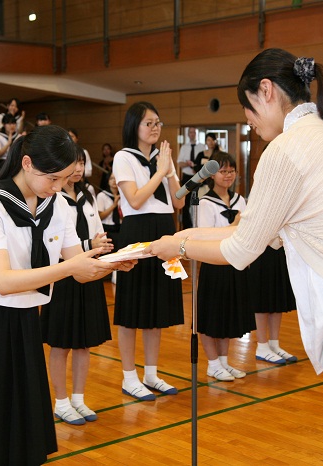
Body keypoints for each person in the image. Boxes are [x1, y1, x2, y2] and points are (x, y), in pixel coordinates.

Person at [146, 48, 323, 465]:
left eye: (247, 107)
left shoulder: (285, 150)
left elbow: (241, 249)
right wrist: (186, 233)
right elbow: (253, 229)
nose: (248, 120)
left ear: (265, 91)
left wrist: (179, 246)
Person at [0, 125, 133, 465]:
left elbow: (72, 258)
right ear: (26, 163)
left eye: (65, 179)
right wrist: (72, 268)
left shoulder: (60, 205)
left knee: (18, 417)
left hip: (24, 318)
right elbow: (4, 281)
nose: (59, 187)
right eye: (53, 178)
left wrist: (112, 263)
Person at [112, 101, 184, 401]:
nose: (155, 128)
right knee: (132, 309)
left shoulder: (164, 158)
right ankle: (130, 377)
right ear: (134, 126)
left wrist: (168, 172)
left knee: (156, 307)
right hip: (137, 231)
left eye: (158, 122)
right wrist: (160, 172)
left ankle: (151, 373)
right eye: (149, 123)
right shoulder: (123, 157)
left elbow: (178, 202)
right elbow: (136, 199)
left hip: (164, 229)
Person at [40, 147, 113, 425]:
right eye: (74, 163)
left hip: (89, 273)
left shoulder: (87, 194)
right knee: (61, 345)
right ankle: (61, 402)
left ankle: (79, 399)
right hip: (64, 276)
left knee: (84, 344)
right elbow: (52, 242)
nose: (79, 168)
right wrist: (87, 246)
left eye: (82, 162)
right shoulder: (52, 197)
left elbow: (95, 231)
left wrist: (102, 247)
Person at [194, 152, 253, 381]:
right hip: (213, 263)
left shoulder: (241, 200)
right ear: (212, 174)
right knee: (210, 316)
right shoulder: (205, 201)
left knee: (228, 315)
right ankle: (212, 363)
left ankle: (224, 362)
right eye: (223, 171)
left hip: (235, 263)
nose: (228, 175)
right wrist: (235, 224)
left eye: (231, 171)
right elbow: (204, 236)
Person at [176, 127, 206, 229]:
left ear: (196, 134)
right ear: (188, 134)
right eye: (190, 132)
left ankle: (199, 225)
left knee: (199, 201)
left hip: (198, 177)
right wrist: (187, 163)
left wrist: (197, 167)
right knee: (185, 203)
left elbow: (204, 162)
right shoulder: (184, 147)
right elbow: (180, 163)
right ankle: (186, 226)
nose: (192, 134)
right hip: (187, 177)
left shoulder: (202, 147)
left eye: (194, 132)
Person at [96, 171, 121, 247]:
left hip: (120, 228)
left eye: (116, 178)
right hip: (107, 228)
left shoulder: (123, 195)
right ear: (108, 181)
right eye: (111, 178)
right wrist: (114, 205)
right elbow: (100, 216)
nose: (114, 181)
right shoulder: (102, 195)